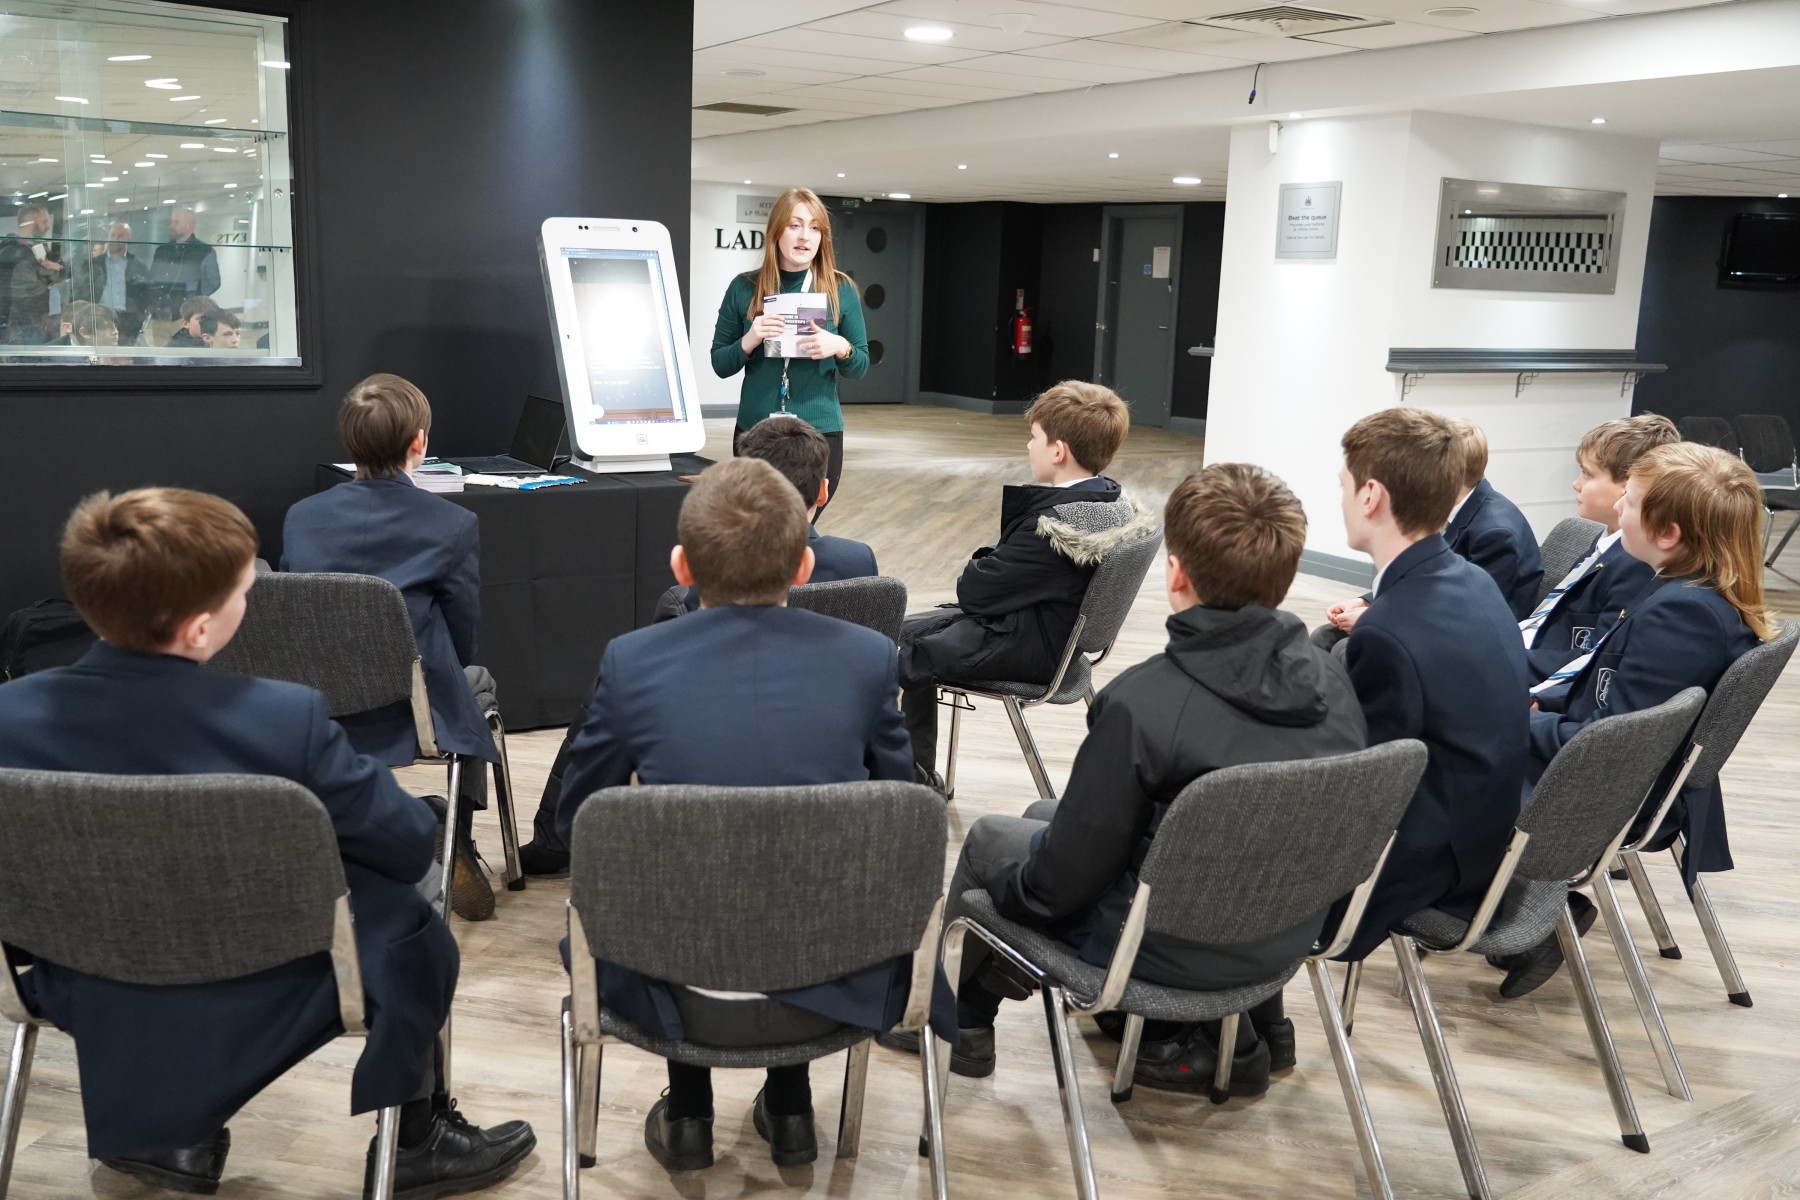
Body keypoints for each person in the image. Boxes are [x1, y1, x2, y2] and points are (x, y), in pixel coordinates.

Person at [0, 488, 534, 1197]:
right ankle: (417, 1137)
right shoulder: (283, 720)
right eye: (242, 593)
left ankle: (171, 1127)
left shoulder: (9, 718)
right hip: (269, 970)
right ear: (200, 628)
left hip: (82, 971)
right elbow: (408, 846)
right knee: (412, 909)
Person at [886, 464, 1367, 1095]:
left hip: (1161, 948)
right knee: (1038, 817)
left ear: (1177, 574)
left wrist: (1005, 884)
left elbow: (1056, 890)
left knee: (987, 843)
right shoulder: (1336, 681)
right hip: (1285, 935)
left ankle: (955, 1022)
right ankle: (1254, 1031)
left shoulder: (1145, 705)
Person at [553, 457, 940, 1172]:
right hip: (835, 972)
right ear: (805, 567)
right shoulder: (865, 659)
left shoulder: (631, 662)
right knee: (790, 870)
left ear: (681, 567)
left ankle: (689, 1117)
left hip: (668, 976)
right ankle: (791, 1110)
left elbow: (574, 822)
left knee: (682, 881)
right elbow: (899, 811)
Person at [515, 414, 880, 875]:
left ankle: (550, 844)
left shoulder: (675, 613)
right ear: (822, 492)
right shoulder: (858, 569)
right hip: (827, 846)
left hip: (691, 857)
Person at [1498, 442, 1775, 997]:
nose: (1619, 507)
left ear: (1667, 533)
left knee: (1430, 761)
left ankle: (1502, 913)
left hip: (1597, 792)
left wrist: (1510, 724)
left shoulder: (1683, 615)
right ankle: (1516, 910)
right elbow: (1610, 701)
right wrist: (1543, 705)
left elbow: (1614, 745)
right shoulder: (1682, 590)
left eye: (1629, 500)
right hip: (1595, 768)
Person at [281, 374, 502, 923]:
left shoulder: (302, 516)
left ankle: (412, 822)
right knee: (478, 682)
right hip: (411, 708)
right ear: (419, 442)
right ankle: (455, 835)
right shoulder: (453, 523)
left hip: (318, 706)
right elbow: (462, 635)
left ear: (349, 440)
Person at [1334, 407, 1531, 961]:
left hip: (1429, 865)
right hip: (1483, 833)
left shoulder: (1387, 629)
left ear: (1370, 496)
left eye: (1343, 486)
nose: (1341, 499)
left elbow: (1364, 787)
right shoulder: (1472, 580)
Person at [897, 380, 1151, 789]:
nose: (1028, 446)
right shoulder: (1107, 502)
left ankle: (909, 782)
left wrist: (988, 559)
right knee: (897, 632)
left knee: (898, 653)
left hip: (1029, 645)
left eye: (1034, 437)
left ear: (1058, 451)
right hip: (1054, 637)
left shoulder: (1051, 528)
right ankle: (917, 778)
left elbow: (974, 591)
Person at [710, 186, 867, 516]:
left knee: (800, 530)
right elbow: (720, 363)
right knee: (757, 529)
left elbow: (860, 365)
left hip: (819, 433)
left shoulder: (840, 289)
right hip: (756, 433)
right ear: (776, 231)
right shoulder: (744, 287)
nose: (805, 236)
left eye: (815, 228)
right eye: (795, 225)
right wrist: (750, 339)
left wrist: (840, 347)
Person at [1322, 417, 1543, 635]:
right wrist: (1367, 602)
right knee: (1326, 636)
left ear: (1448, 475)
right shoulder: (1451, 507)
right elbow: (1423, 579)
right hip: (1434, 615)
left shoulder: (1495, 533)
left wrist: (1378, 615)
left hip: (1465, 634)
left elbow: (1467, 612)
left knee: (1343, 646)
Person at [1519, 414, 1678, 682]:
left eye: (1587, 473)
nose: (1576, 484)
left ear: (1628, 487)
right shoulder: (1605, 539)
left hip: (1537, 673)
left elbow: (1591, 657)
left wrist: (1505, 659)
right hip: (1527, 650)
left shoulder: (1636, 562)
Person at [73, 221, 150, 343]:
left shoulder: (139, 266)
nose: (115, 239)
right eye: (112, 235)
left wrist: (139, 316)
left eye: (120, 236)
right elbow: (82, 291)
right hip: (99, 319)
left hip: (129, 320)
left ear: (128, 239)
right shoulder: (92, 264)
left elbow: (145, 295)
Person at [3, 203, 65, 345]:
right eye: (44, 222)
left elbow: (53, 277)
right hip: (26, 325)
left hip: (42, 323)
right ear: (31, 223)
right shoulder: (14, 253)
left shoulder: (37, 248)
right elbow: (27, 293)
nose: (47, 227)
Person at [150, 206, 220, 299]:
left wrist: (194, 298)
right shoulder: (162, 250)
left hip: (187, 306)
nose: (171, 226)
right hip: (160, 305)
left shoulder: (204, 251)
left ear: (188, 225)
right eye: (172, 222)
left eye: (176, 222)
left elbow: (214, 282)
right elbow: (152, 278)